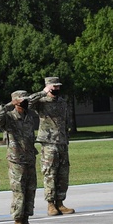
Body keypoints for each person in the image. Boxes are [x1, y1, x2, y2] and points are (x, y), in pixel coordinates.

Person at [0, 90, 41, 224]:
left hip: (29, 157)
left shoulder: (29, 117)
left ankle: (26, 220)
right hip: (16, 159)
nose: (26, 102)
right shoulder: (8, 117)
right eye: (22, 100)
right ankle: (18, 222)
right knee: (19, 191)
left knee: (30, 189)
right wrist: (10, 104)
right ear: (16, 102)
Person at [29, 76, 74, 216]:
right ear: (48, 87)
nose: (56, 89)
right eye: (53, 87)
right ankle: (50, 204)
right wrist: (43, 92)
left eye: (58, 86)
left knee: (63, 173)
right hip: (48, 143)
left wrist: (67, 136)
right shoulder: (41, 102)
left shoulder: (62, 102)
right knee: (50, 173)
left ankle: (60, 202)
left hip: (61, 141)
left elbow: (65, 120)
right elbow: (27, 102)